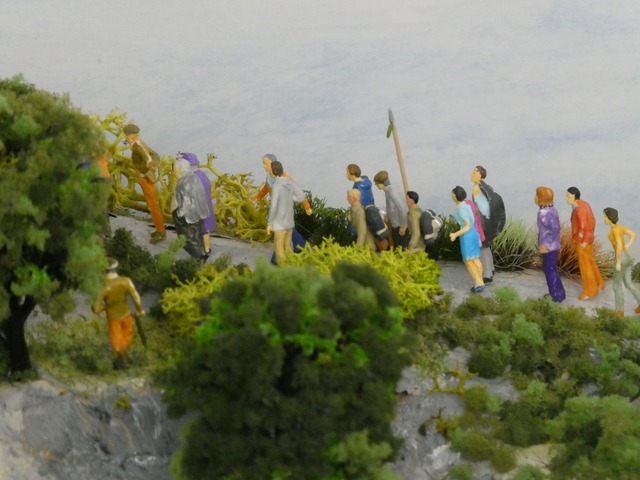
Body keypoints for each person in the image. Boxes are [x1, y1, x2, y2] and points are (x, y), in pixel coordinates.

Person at [92, 258, 144, 369]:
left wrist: (105, 307)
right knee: (127, 336)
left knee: (117, 342)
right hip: (126, 314)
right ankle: (122, 359)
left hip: (113, 318)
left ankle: (121, 358)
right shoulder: (126, 281)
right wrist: (139, 310)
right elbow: (136, 297)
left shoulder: (102, 287)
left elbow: (96, 309)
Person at [123, 124, 166, 244]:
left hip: (145, 178)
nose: (125, 137)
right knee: (152, 204)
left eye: (126, 135)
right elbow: (155, 155)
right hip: (145, 176)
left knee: (152, 205)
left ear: (131, 135)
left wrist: (144, 172)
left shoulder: (138, 146)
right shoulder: (139, 142)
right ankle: (159, 229)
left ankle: (161, 232)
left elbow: (148, 160)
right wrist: (152, 169)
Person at [566, 187, 604, 300]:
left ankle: (590, 291)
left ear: (574, 197)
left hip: (582, 242)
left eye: (568, 196)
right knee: (590, 262)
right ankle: (599, 284)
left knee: (585, 266)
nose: (566, 199)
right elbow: (593, 221)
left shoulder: (579, 209)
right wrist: (590, 235)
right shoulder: (585, 204)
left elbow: (582, 226)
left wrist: (581, 240)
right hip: (588, 239)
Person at [267, 160, 306, 265]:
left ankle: (284, 271)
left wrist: (269, 223)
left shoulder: (277, 185)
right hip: (289, 222)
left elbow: (273, 205)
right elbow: (301, 197)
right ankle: (292, 267)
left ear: (273, 171)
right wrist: (289, 198)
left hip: (280, 223)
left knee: (279, 248)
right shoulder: (290, 182)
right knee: (288, 246)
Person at [603, 207, 640, 316]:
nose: (603, 218)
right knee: (628, 283)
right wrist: (627, 246)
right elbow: (633, 235)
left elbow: (619, 244)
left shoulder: (615, 230)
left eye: (605, 216)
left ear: (610, 218)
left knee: (617, 286)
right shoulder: (620, 227)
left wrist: (618, 261)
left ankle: (619, 311)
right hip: (627, 256)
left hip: (621, 258)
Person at [177, 153, 216, 255]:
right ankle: (206, 249)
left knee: (202, 229)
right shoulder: (201, 174)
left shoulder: (191, 177)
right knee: (205, 229)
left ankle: (203, 251)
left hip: (197, 207)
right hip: (205, 205)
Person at [471, 166, 505, 283]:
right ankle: (491, 268)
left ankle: (487, 274)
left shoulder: (479, 188)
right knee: (486, 246)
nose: (472, 174)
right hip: (486, 220)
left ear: (481, 175)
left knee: (482, 247)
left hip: (483, 221)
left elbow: (483, 208)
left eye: (475, 172)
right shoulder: (486, 188)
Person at [172, 159, 210, 260]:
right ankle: (202, 255)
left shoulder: (184, 182)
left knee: (190, 240)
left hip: (190, 217)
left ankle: (199, 258)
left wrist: (180, 213)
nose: (174, 173)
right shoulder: (194, 178)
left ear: (181, 169)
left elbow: (187, 202)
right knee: (197, 237)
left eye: (175, 170)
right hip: (200, 214)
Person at [450, 186, 485, 293]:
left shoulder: (461, 209)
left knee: (468, 260)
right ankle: (481, 281)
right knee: (475, 258)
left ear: (456, 196)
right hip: (474, 233)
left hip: (467, 236)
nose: (452, 196)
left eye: (453, 194)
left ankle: (478, 283)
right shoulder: (466, 204)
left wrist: (455, 234)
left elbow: (467, 225)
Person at [535, 187, 565, 302]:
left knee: (550, 270)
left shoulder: (543, 213)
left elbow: (553, 229)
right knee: (550, 269)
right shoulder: (552, 210)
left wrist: (546, 244)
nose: (535, 198)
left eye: (536, 196)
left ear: (540, 199)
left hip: (548, 247)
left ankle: (555, 296)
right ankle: (558, 293)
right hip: (553, 245)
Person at [374, 170, 409, 249]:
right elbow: (391, 207)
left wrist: (403, 226)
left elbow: (402, 208)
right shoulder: (388, 191)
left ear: (381, 184)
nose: (376, 185)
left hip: (399, 225)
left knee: (401, 247)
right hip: (395, 224)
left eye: (377, 183)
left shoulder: (392, 192)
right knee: (397, 246)